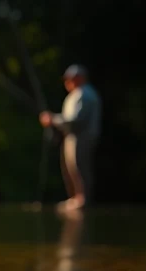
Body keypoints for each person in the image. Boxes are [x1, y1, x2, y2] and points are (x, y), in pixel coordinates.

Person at [39, 65, 102, 212]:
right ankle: (77, 198)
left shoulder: (84, 94)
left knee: (79, 167)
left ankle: (82, 199)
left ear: (80, 78)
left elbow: (75, 120)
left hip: (82, 137)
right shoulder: (75, 95)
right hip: (73, 137)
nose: (67, 82)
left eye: (70, 78)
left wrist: (53, 119)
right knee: (72, 168)